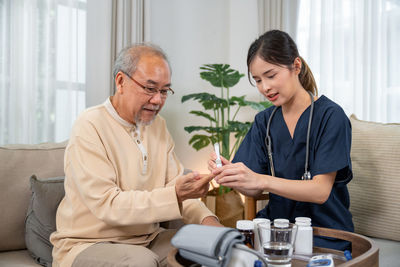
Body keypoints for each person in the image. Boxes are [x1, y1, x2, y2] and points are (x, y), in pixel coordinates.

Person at [50, 43, 221, 267]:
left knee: (206, 250)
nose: (158, 100)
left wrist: (211, 223)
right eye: (150, 89)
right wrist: (175, 195)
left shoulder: (158, 126)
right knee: (141, 262)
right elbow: (108, 204)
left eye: (164, 91)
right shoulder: (89, 125)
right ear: (121, 81)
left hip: (148, 240)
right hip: (88, 243)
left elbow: (178, 188)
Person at [208, 30, 354, 250]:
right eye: (257, 80)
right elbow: (253, 190)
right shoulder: (264, 122)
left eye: (271, 75)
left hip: (325, 234)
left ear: (296, 66)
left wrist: (261, 180)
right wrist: (232, 176)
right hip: (276, 231)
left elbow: (320, 191)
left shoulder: (331, 116)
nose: (264, 87)